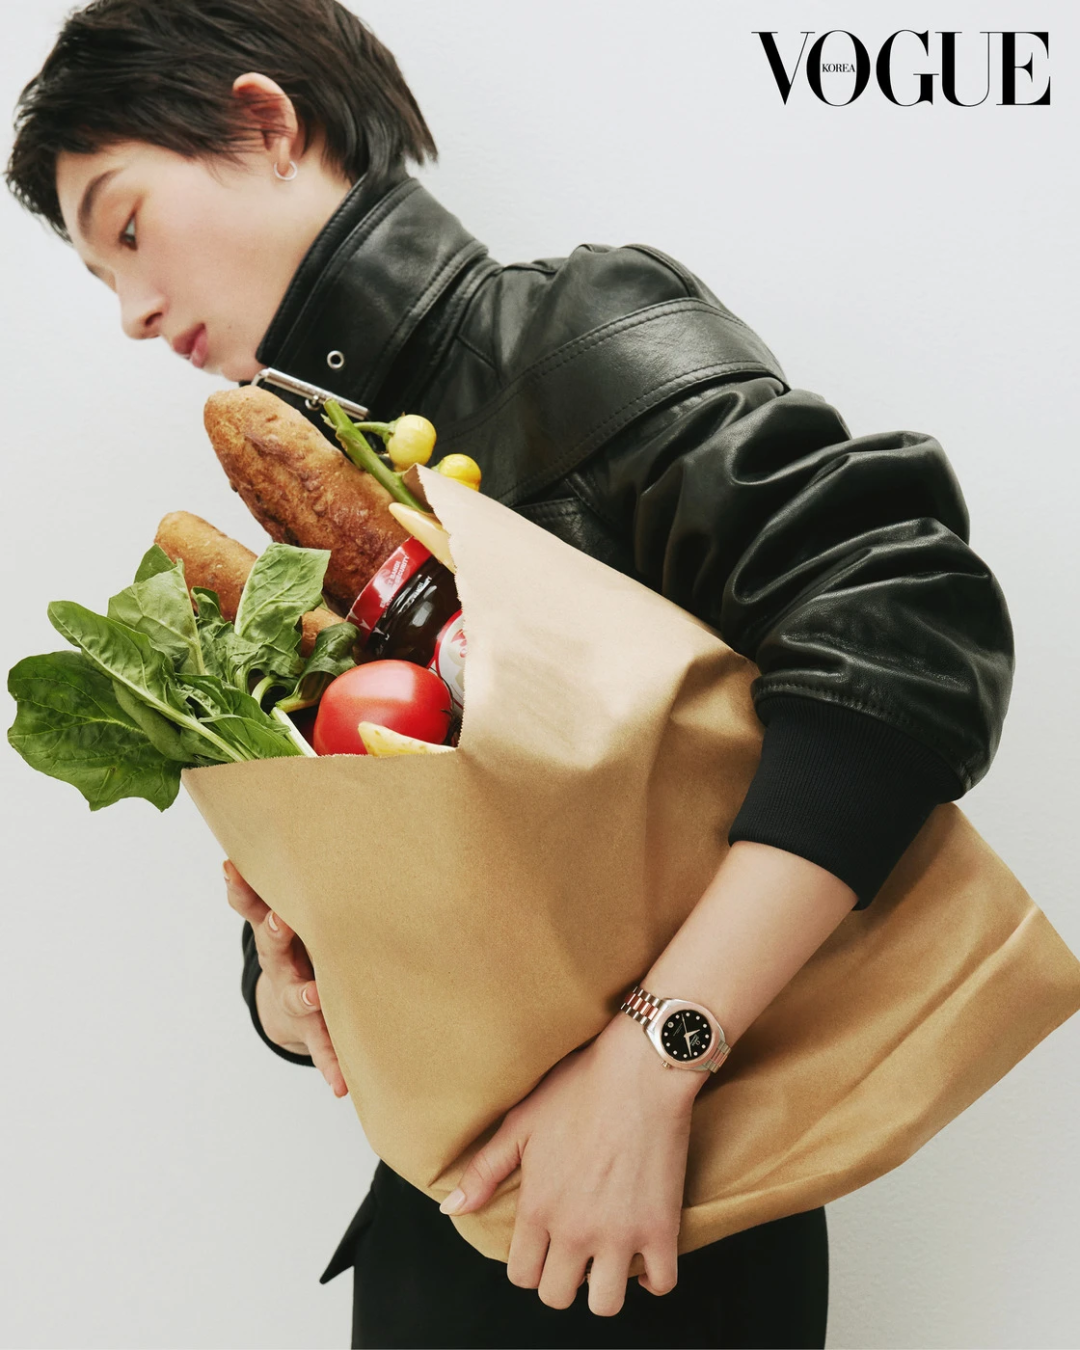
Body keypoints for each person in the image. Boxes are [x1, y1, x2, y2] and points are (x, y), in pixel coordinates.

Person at [6, 2, 1014, 1347]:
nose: (132, 314)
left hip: (669, 1220)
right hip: (449, 1235)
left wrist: (657, 1052)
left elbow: (907, 624)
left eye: (128, 229)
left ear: (266, 123)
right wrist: (290, 986)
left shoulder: (575, 332)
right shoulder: (307, 507)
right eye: (99, 281)